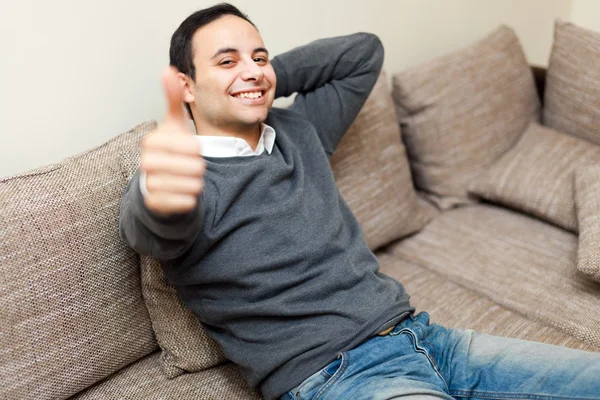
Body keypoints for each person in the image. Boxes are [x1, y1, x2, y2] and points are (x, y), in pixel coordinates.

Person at [119, 3, 600, 400]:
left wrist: (252, 83)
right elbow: (152, 229)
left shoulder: (299, 130)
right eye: (226, 61)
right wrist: (161, 191)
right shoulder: (179, 177)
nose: (252, 68)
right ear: (185, 84)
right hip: (338, 377)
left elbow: (362, 54)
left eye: (259, 56)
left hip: (427, 339)